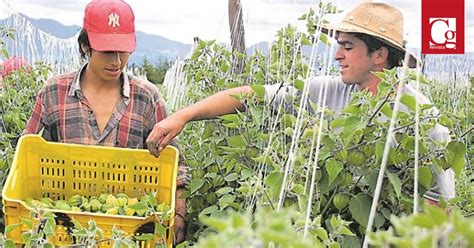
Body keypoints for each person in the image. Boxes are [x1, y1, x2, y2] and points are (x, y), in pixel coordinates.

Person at [146, 2, 454, 204]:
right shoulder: (328, 91)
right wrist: (184, 115)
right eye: (338, 46)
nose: (337, 55)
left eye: (348, 46)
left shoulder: (420, 119)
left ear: (379, 55)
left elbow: (439, 204)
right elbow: (252, 94)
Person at [23, 0, 187, 243]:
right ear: (85, 46)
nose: (117, 61)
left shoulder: (146, 97)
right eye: (107, 51)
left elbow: (176, 164)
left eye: (123, 51)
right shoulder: (53, 92)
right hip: (65, 228)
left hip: (128, 231)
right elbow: (26, 156)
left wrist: (180, 214)